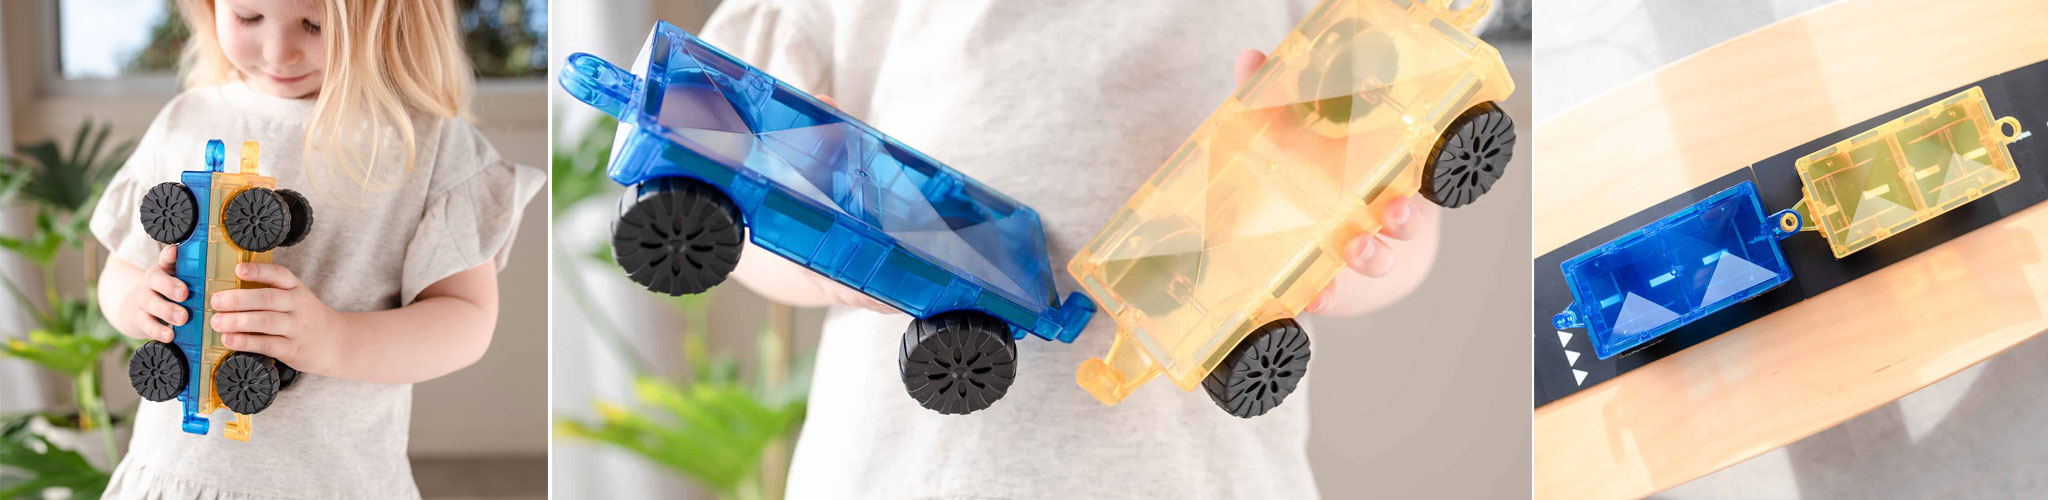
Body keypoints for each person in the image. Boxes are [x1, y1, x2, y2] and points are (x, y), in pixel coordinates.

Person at [699, 1, 1448, 497]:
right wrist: (834, 264)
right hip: (912, 472)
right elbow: (720, 164)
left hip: (1202, 475)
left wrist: (1347, 253)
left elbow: (1403, 219)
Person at [90, 0, 543, 497]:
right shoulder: (185, 119)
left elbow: (466, 319)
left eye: (314, 25)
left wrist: (336, 340)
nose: (278, 52)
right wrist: (140, 304)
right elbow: (120, 274)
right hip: (177, 474)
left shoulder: (424, 142)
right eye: (248, 17)